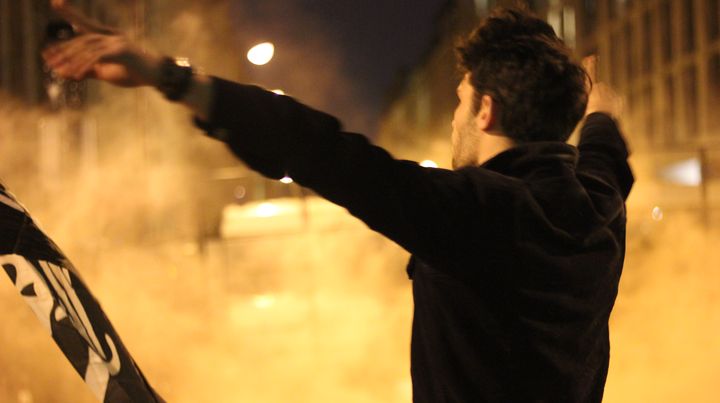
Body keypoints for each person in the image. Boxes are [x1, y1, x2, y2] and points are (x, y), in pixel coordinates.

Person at [43, 1, 633, 401]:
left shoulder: (477, 214)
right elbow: (606, 161)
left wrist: (168, 77)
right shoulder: (598, 209)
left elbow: (322, 150)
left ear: (485, 110)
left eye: (459, 100)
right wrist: (602, 116)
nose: (455, 118)